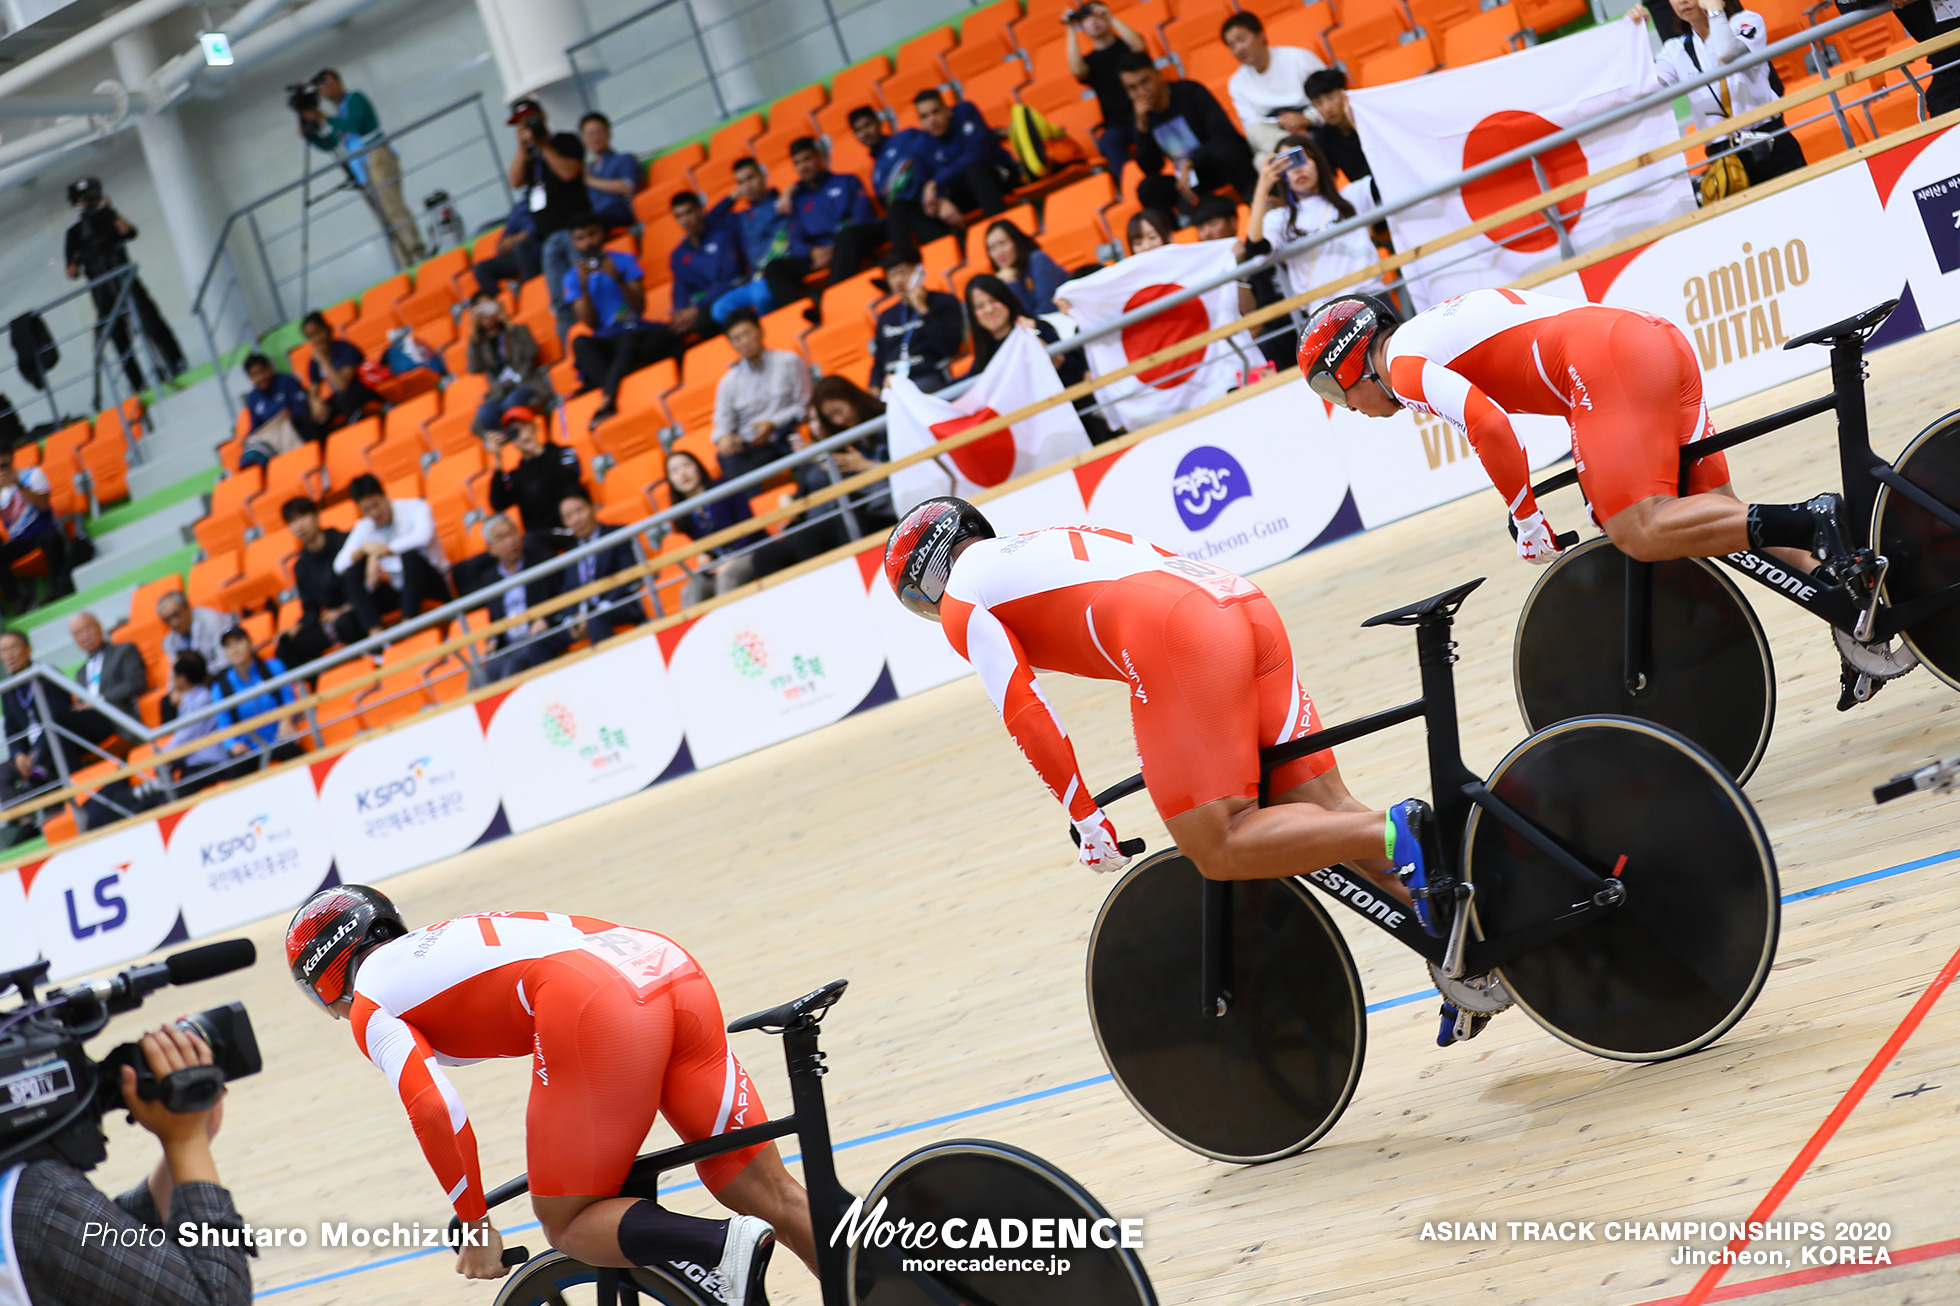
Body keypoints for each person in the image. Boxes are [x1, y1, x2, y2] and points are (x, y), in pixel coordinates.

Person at [883, 500, 1493, 1039]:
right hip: (1239, 601)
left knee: (1219, 841)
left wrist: (1084, 815)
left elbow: (1024, 708)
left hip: (1179, 636)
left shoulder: (964, 598)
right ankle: (1460, 952)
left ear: (925, 578)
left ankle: (1396, 829)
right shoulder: (1031, 545)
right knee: (1326, 813)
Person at [1298, 291, 1870, 691]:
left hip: (1606, 361)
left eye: (1335, 392)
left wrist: (1526, 519)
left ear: (1350, 364)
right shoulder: (1432, 329)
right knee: (1716, 518)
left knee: (1637, 527)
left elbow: (1490, 426)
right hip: (1653, 337)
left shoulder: (1402, 364)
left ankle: (1810, 518)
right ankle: (1855, 607)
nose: (1347, 408)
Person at [285, 886, 812, 1301]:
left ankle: (717, 1248)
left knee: (567, 1220)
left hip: (597, 1003)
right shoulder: (434, 944)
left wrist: (474, 1221)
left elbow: (432, 1105)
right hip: (663, 963)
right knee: (768, 1193)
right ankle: (871, 1279)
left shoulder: (369, 1003)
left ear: (323, 977)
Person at [11, 1021, 254, 1306]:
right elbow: (218, 1299)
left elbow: (117, 1263)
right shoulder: (37, 1199)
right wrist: (187, 1144)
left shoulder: (28, 1201)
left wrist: (186, 1148)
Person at [1637, 0, 1806, 187]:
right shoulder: (1674, 49)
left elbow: (1726, 52)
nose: (1682, 1)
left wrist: (1715, 9)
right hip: (1723, 158)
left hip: (1771, 143)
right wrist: (1636, 37)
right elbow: (1649, 88)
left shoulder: (1747, 20)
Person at [751, 380, 897, 579]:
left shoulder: (888, 419)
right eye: (830, 417)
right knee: (764, 557)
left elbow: (912, 470)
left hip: (882, 507)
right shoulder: (839, 439)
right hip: (835, 513)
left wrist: (866, 466)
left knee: (811, 535)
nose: (838, 419)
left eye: (838, 410)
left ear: (851, 398)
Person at [63, 176, 187, 403]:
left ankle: (176, 363)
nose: (88, 203)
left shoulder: (109, 217)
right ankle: (138, 383)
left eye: (91, 198)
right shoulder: (74, 233)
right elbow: (71, 271)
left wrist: (109, 211)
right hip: (102, 290)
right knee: (118, 335)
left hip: (125, 279)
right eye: (84, 200)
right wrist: (77, 260)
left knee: (150, 320)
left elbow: (130, 232)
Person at [563, 214, 686, 425]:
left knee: (630, 338)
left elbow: (639, 307)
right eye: (581, 238)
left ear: (601, 233)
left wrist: (618, 278)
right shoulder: (573, 278)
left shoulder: (623, 260)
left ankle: (608, 398)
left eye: (591, 234)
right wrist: (583, 288)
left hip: (635, 330)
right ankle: (614, 391)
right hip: (607, 340)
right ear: (575, 243)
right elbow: (590, 323)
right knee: (580, 342)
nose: (588, 242)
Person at [299, 69, 426, 265]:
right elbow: (330, 144)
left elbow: (356, 124)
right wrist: (309, 133)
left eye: (327, 81)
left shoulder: (355, 99)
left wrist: (324, 118)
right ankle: (404, 260)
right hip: (362, 169)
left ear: (339, 82)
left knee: (393, 208)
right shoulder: (338, 115)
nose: (323, 87)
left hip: (376, 156)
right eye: (320, 84)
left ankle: (416, 250)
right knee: (384, 218)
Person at [1118, 52, 1257, 216]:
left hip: (1216, 163)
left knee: (1227, 150)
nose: (1141, 92)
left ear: (1158, 75)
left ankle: (1257, 203)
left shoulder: (1189, 92)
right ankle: (1170, 236)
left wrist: (1191, 162)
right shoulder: (1141, 117)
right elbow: (1151, 168)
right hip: (1189, 179)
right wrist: (1142, 130)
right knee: (1148, 188)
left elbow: (1223, 133)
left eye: (1145, 82)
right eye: (1132, 88)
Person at [1246, 135, 1378, 301]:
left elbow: (1390, 177)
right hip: (1323, 310)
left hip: (1371, 294)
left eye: (1301, 159)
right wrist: (1262, 188)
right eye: (1286, 165)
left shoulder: (1352, 195)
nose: (1297, 169)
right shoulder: (1279, 219)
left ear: (1318, 162)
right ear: (1281, 175)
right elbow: (1256, 247)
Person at [764, 138, 885, 320]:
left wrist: (835, 249)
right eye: (797, 163)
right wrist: (812, 251)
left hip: (852, 243)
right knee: (774, 268)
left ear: (819, 157)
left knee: (848, 237)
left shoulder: (847, 181)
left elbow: (863, 220)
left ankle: (828, 306)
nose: (803, 167)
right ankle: (801, 318)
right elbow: (795, 240)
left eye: (807, 159)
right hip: (820, 254)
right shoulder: (798, 199)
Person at [507, 98, 588, 339]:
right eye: (520, 124)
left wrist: (544, 145)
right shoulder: (528, 156)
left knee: (585, 290)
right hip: (548, 239)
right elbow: (514, 181)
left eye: (530, 120)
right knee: (560, 303)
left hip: (577, 231)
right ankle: (572, 349)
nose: (526, 126)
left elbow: (569, 172)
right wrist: (523, 147)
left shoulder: (565, 141)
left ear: (543, 115)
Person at [456, 514, 568, 683]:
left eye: (512, 533)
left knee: (513, 666)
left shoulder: (541, 559)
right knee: (481, 676)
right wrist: (492, 640)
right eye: (501, 538)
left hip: (540, 637)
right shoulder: (491, 579)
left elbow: (562, 596)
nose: (510, 541)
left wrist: (545, 619)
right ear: (491, 548)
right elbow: (496, 619)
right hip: (509, 646)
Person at [334, 474, 452, 631]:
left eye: (376, 505)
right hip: (399, 589)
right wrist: (365, 550)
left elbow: (422, 537)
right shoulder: (364, 526)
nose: (374, 513)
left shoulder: (415, 507)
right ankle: (376, 635)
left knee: (410, 556)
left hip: (432, 580)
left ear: (384, 495)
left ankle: (406, 626)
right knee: (352, 574)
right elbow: (339, 565)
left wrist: (379, 553)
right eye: (366, 510)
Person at [712, 308, 811, 482]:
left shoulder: (789, 361)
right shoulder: (728, 381)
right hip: (751, 446)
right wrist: (724, 437)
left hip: (786, 433)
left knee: (803, 449)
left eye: (747, 333)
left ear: (761, 331)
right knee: (727, 459)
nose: (744, 342)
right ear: (731, 344)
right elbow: (722, 423)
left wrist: (773, 423)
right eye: (736, 339)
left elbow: (805, 404)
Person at [1223, 12, 1328, 162]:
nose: (1239, 49)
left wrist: (1306, 119)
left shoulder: (1299, 58)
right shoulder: (1237, 83)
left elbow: (1331, 96)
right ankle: (1297, 150)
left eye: (1242, 40)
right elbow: (1253, 127)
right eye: (1232, 46)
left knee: (1270, 161)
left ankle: (1297, 153)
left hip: (1313, 124)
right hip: (1277, 133)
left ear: (1260, 35)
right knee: (1260, 160)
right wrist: (1284, 126)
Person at [1064, 2, 1150, 177]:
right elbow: (1077, 70)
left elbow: (1139, 48)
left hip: (1145, 109)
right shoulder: (1090, 61)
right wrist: (1070, 28)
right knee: (1109, 141)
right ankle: (1130, 184)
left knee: (1144, 132)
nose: (1094, 22)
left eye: (1097, 16)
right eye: (1087, 20)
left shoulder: (1125, 45)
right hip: (1116, 123)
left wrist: (1110, 17)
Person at [668, 450, 764, 606]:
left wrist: (731, 559)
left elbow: (749, 528)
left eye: (686, 465)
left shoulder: (725, 488)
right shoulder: (682, 513)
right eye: (674, 471)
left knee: (727, 578)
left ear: (698, 466)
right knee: (690, 590)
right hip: (716, 567)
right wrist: (704, 559)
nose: (682, 473)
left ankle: (735, 629)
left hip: (748, 551)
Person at [278, 495, 363, 667]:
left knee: (345, 622)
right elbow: (311, 611)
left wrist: (344, 609)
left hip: (360, 608)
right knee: (285, 648)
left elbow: (366, 584)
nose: (299, 526)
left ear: (316, 516)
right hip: (334, 622)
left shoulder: (344, 541)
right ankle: (318, 688)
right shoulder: (301, 566)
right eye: (292, 521)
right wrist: (297, 628)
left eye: (303, 517)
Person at [868, 246, 966, 394]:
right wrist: (874, 386)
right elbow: (880, 358)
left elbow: (948, 347)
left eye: (903, 272)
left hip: (924, 377)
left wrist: (923, 310)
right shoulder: (886, 317)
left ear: (919, 271)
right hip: (891, 385)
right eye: (892, 275)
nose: (898, 281)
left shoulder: (943, 302)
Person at [912, 89, 1015, 229]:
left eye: (936, 112)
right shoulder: (920, 147)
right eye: (924, 116)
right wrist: (940, 201)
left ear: (947, 109)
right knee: (917, 211)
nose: (932, 120)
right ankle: (955, 247)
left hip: (999, 177)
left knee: (975, 170)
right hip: (965, 193)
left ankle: (1003, 230)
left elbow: (977, 154)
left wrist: (936, 181)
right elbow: (924, 188)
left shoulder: (966, 112)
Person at [710, 159, 796, 322]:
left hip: (780, 273)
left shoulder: (783, 201)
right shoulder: (740, 218)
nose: (747, 186)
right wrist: (732, 197)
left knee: (761, 296)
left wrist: (791, 189)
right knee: (719, 309)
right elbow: (709, 222)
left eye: (750, 178)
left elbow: (809, 194)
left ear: (763, 176)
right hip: (754, 280)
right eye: (741, 182)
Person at [851, 106, 948, 249]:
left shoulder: (907, 137)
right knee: (904, 212)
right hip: (912, 215)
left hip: (934, 195)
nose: (864, 132)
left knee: (901, 208)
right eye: (858, 130)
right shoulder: (876, 174)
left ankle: (901, 257)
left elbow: (935, 155)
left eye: (867, 125)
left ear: (878, 122)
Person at [558, 490, 646, 645]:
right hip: (584, 616)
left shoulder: (617, 534)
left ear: (593, 507)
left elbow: (629, 575)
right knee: (540, 642)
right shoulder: (569, 553)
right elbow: (567, 592)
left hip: (618, 605)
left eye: (579, 510)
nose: (576, 519)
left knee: (596, 618)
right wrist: (571, 620)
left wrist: (598, 609)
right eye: (568, 516)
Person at [488, 406, 586, 538]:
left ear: (534, 427)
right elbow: (498, 503)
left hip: (570, 528)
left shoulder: (563, 453)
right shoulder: (516, 476)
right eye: (513, 432)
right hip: (538, 540)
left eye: (523, 427)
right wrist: (498, 460)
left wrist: (537, 452)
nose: (520, 435)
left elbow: (570, 479)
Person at [467, 294, 555, 435]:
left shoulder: (518, 330)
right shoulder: (479, 342)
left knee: (511, 403)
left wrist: (508, 323)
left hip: (525, 383)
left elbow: (532, 351)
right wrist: (474, 332)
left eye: (489, 307)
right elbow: (474, 368)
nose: (487, 314)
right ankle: (511, 439)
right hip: (499, 393)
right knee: (485, 413)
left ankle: (517, 437)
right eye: (480, 310)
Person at [213, 627, 304, 763]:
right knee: (237, 767)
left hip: (279, 737)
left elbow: (288, 698)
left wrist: (287, 719)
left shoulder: (274, 667)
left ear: (249, 643)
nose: (234, 649)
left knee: (290, 749)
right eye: (228, 646)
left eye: (238, 642)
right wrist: (233, 745)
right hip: (249, 750)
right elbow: (224, 726)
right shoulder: (220, 688)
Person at [161, 651, 246, 790]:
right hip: (194, 764)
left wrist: (161, 756)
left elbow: (186, 737)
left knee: (176, 796)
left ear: (182, 679)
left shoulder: (202, 699)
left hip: (209, 764)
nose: (170, 679)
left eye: (173, 674)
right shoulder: (189, 699)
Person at [669, 191, 743, 339]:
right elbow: (680, 289)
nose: (685, 220)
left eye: (688, 212)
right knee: (666, 336)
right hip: (700, 306)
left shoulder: (722, 236)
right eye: (679, 216)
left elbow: (728, 278)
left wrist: (697, 308)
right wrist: (680, 313)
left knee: (703, 323)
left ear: (700, 210)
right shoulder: (678, 255)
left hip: (728, 291)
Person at [0, 458, 71, 611]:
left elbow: (44, 505)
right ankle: (17, 602)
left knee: (52, 537)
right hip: (19, 541)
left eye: (3, 464)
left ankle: (56, 586)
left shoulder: (32, 474)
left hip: (42, 531)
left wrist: (18, 485)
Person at [299, 310, 382, 431]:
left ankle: (360, 432)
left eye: (318, 333)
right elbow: (314, 389)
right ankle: (329, 446)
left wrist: (324, 361)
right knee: (309, 417)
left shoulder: (346, 349)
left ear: (328, 329)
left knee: (344, 397)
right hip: (341, 398)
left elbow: (343, 385)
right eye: (311, 337)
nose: (316, 340)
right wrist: (315, 403)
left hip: (363, 391)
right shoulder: (314, 361)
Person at [1304, 69, 1375, 194]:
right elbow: (1328, 180)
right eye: (1319, 103)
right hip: (1366, 195)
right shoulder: (1323, 138)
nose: (1327, 108)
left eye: (1330, 98)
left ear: (1344, 93)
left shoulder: (1370, 118)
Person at [69, 610, 146, 720]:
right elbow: (81, 703)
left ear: (99, 627)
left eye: (88, 629)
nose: (85, 637)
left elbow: (135, 683)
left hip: (116, 714)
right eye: (78, 634)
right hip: (91, 720)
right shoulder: (81, 672)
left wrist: (100, 700)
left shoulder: (123, 651)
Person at [240, 352, 325, 450]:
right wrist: (248, 438)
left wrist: (291, 415)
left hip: (297, 428)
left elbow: (303, 405)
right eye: (254, 375)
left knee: (306, 418)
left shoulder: (286, 381)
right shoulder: (253, 398)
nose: (260, 378)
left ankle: (315, 453)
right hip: (275, 439)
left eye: (261, 372)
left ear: (269, 368)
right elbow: (256, 426)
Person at [981, 220, 1067, 315]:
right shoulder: (1002, 277)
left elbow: (1046, 311)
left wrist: (1013, 284)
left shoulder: (1038, 260)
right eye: (992, 248)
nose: (999, 253)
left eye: (1003, 243)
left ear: (1016, 241)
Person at [581, 111, 644, 230]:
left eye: (598, 131)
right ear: (584, 140)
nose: (595, 137)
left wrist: (590, 180)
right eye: (589, 134)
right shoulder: (588, 170)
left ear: (608, 133)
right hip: (595, 220)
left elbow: (627, 187)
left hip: (619, 213)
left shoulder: (625, 159)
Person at [472, 196, 542, 297]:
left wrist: (518, 238)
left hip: (537, 247)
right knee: (481, 268)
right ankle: (500, 305)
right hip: (517, 254)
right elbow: (507, 234)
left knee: (520, 247)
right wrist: (502, 244)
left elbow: (541, 224)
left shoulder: (542, 197)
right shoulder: (519, 207)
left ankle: (533, 293)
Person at [156, 591, 229, 670]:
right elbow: (178, 673)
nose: (174, 623)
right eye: (167, 620)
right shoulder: (170, 642)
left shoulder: (212, 621)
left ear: (187, 607)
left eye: (176, 615)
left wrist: (201, 676)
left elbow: (226, 659)